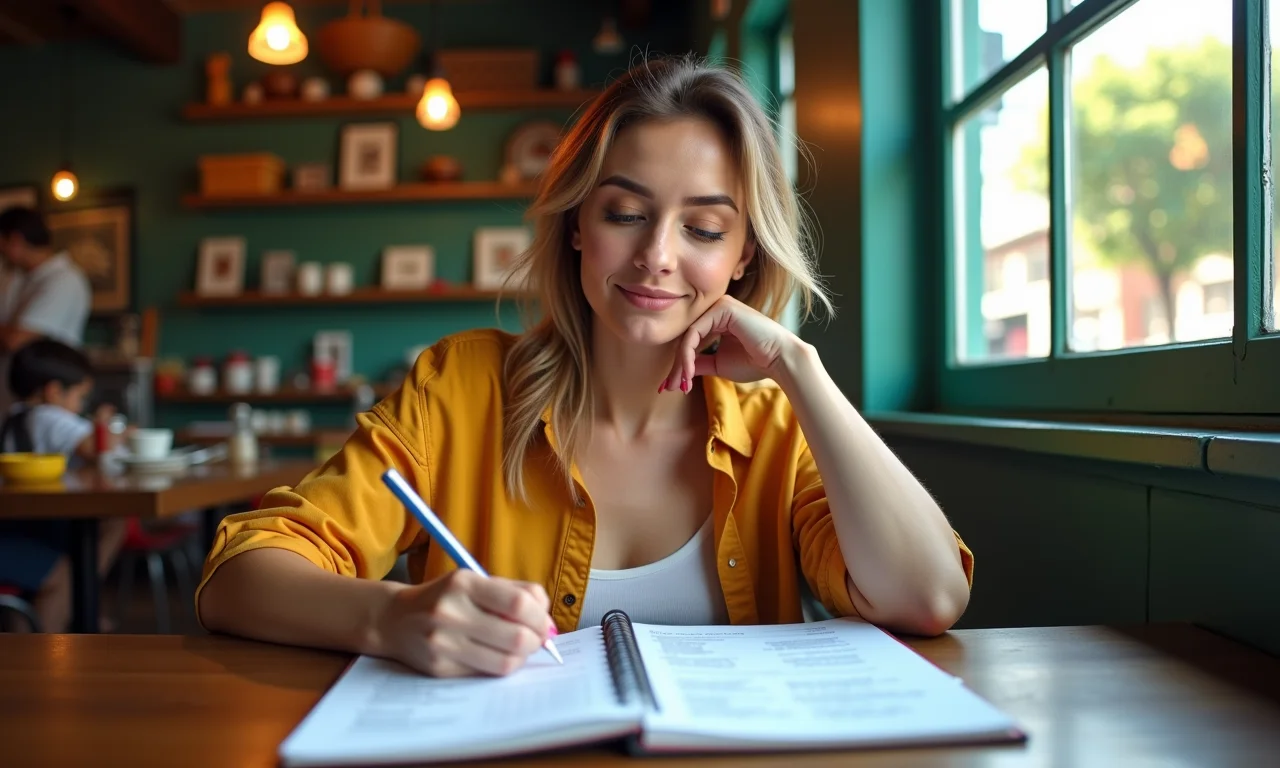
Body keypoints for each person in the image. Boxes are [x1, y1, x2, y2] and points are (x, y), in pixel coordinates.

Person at [197, 55, 974, 677]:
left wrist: (800, 368)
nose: (656, 256)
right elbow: (239, 575)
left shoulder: (778, 425)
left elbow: (929, 596)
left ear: (743, 258)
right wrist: (389, 617)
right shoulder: (460, 389)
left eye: (703, 228)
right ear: (577, 225)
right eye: (625, 213)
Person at [0, 338, 127, 632]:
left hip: (21, 522)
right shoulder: (49, 416)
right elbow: (94, 446)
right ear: (54, 391)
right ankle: (43, 649)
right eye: (80, 397)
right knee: (67, 573)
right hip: (27, 529)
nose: (80, 406)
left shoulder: (15, 415)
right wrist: (107, 426)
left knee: (103, 529)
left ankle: (78, 608)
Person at [0, 206, 92, 415]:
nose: (1, 252)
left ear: (15, 240)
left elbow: (15, 340)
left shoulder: (63, 280)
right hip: (16, 401)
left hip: (48, 401)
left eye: (2, 244)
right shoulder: (16, 278)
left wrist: (8, 333)